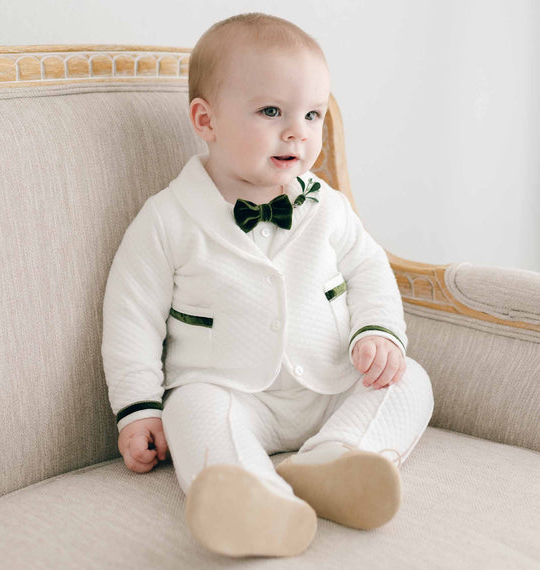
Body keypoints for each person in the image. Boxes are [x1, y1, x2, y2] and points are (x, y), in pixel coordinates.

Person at [101, 12, 434, 559]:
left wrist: (377, 333)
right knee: (190, 410)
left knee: (409, 380)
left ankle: (337, 460)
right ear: (205, 120)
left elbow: (370, 270)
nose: (297, 132)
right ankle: (255, 498)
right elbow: (130, 317)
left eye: (312, 115)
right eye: (271, 111)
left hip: (326, 383)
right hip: (229, 391)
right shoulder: (167, 219)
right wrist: (138, 409)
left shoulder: (327, 206)